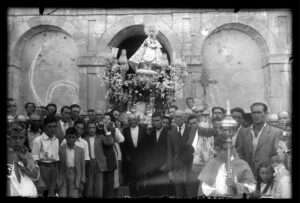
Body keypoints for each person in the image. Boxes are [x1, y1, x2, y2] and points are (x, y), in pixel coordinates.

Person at [236, 102, 282, 178]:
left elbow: (277, 156)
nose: (256, 115)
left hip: (267, 175)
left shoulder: (276, 133)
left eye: (259, 112)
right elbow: (239, 152)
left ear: (266, 114)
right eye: (253, 113)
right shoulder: (243, 132)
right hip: (247, 174)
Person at [7, 121, 40, 197]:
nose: (18, 141)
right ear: (8, 138)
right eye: (14, 137)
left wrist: (25, 160)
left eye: (21, 138)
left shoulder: (26, 153)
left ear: (25, 138)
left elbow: (35, 176)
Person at [186, 115, 215, 198]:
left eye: (195, 123)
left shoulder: (212, 137)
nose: (193, 125)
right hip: (196, 169)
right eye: (191, 124)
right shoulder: (192, 133)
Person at [84, 119, 115, 198]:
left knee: (99, 185)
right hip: (89, 163)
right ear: (87, 129)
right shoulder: (84, 139)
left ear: (96, 128)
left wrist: (105, 129)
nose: (91, 129)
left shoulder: (100, 137)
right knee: (89, 185)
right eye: (90, 128)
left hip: (99, 163)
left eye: (93, 127)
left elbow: (110, 142)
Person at [121, 114, 149, 197]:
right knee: (132, 178)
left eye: (134, 120)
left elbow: (147, 143)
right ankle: (133, 194)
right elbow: (123, 145)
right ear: (128, 121)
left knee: (141, 176)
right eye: (130, 120)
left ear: (137, 121)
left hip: (141, 157)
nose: (132, 121)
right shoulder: (125, 130)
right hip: (130, 157)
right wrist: (126, 155)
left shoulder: (143, 129)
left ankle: (141, 194)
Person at [166, 110, 193, 198]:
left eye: (180, 116)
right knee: (179, 192)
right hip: (177, 166)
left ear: (185, 118)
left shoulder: (191, 129)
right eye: (176, 117)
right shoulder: (171, 133)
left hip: (190, 165)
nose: (178, 119)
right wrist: (170, 170)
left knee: (190, 191)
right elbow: (170, 152)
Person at [31, 115, 59, 197]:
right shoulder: (38, 140)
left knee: (51, 192)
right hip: (42, 168)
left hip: (53, 168)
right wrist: (38, 176)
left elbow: (56, 159)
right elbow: (34, 159)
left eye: (54, 126)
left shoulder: (56, 140)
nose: (52, 129)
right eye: (49, 126)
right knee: (41, 191)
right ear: (44, 127)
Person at [143, 112, 169, 197]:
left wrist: (166, 164)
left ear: (161, 120)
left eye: (158, 120)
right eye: (154, 121)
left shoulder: (168, 132)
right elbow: (147, 150)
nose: (156, 122)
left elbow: (170, 150)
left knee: (163, 192)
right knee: (152, 192)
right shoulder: (150, 133)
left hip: (163, 167)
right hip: (152, 168)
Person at [57, 127, 85, 198]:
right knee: (62, 194)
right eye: (69, 137)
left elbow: (82, 167)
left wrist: (82, 180)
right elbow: (57, 165)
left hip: (75, 174)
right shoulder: (60, 149)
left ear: (76, 138)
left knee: (74, 195)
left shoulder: (80, 150)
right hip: (63, 174)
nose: (71, 139)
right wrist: (57, 179)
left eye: (73, 137)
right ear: (65, 137)